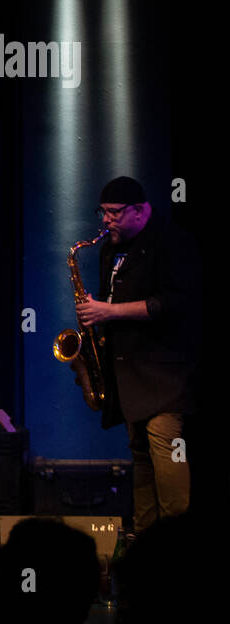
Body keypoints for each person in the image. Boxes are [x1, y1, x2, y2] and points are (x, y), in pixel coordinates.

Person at [76, 177, 200, 531]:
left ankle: (177, 540)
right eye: (103, 212)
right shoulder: (110, 249)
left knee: (166, 455)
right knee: (141, 462)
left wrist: (108, 312)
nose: (106, 220)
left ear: (140, 211)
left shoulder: (173, 243)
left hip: (164, 377)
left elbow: (175, 304)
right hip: (127, 376)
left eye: (114, 213)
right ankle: (145, 547)